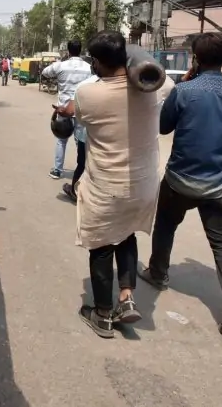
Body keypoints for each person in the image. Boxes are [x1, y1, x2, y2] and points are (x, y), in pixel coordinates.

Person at [139, 32, 222, 339]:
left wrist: (185, 85)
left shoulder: (185, 91)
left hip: (181, 180)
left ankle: (158, 273)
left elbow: (163, 127)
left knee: (165, 226)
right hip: (221, 185)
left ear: (195, 58)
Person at [54, 31, 160, 338]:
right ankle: (126, 297)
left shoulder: (89, 94)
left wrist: (63, 110)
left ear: (98, 62)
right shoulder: (155, 87)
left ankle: (102, 314)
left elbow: (76, 115)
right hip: (142, 185)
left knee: (101, 245)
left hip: (105, 187)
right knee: (125, 234)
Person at [42, 39, 92, 180]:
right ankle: (81, 171)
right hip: (80, 109)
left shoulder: (60, 66)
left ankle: (57, 170)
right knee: (80, 141)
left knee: (61, 140)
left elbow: (45, 73)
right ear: (80, 50)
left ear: (68, 51)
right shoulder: (88, 68)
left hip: (63, 109)